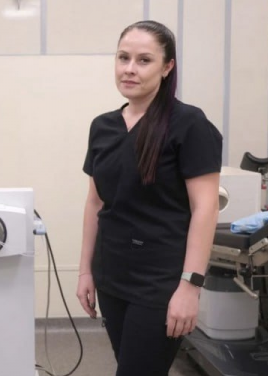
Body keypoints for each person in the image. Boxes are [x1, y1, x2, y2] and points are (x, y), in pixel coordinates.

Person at [76, 20, 222, 376]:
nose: (129, 69)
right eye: (123, 57)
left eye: (144, 60)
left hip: (161, 280)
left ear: (167, 66)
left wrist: (190, 286)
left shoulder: (189, 124)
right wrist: (85, 271)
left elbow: (205, 208)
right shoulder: (102, 126)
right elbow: (96, 203)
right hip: (112, 274)